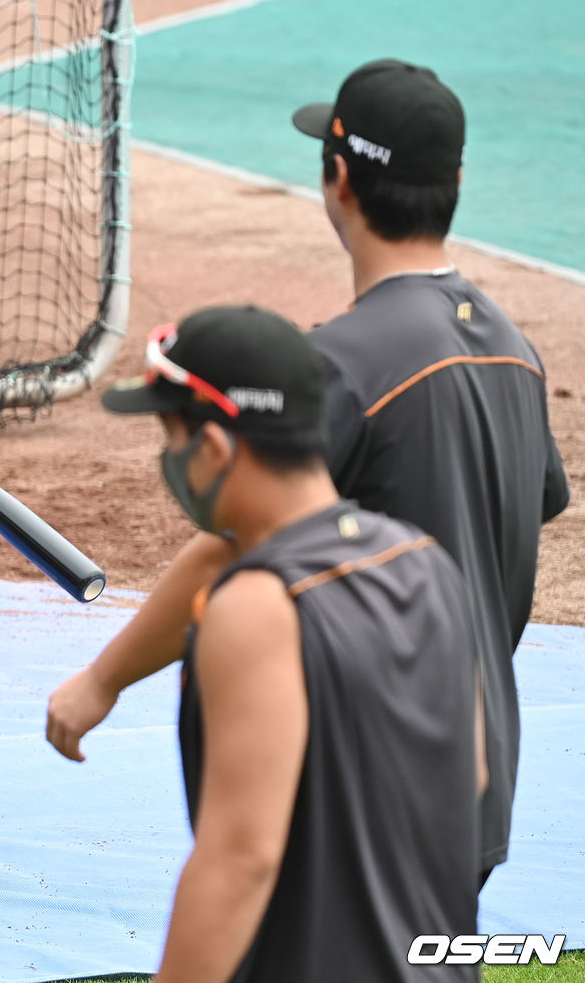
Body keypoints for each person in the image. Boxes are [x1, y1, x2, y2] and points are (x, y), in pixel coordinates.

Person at [46, 58, 569, 890]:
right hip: (475, 764)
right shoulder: (517, 348)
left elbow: (234, 544)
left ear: (338, 178)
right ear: (456, 180)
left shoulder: (340, 366)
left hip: (365, 764)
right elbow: (522, 512)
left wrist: (100, 680)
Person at [89, 304, 485, 983]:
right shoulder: (427, 562)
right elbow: (469, 775)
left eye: (170, 433)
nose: (168, 459)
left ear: (213, 448)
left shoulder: (255, 605)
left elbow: (240, 859)